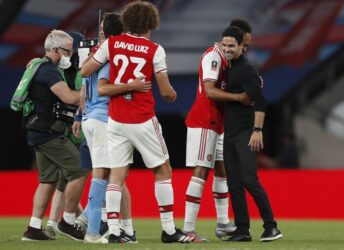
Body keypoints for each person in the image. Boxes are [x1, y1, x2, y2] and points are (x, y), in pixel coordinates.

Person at [81, 1, 193, 244]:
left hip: (116, 120)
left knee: (117, 176)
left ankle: (115, 231)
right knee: (163, 169)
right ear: (151, 24)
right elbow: (165, 91)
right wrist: (171, 93)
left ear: (128, 21)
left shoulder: (111, 44)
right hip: (142, 118)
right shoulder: (155, 50)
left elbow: (85, 71)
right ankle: (168, 230)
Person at [73, 12, 137, 244]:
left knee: (109, 173)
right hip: (102, 119)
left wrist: (80, 115)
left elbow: (83, 89)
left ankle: (90, 219)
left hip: (91, 117)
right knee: (107, 174)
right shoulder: (113, 56)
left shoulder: (94, 55)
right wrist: (133, 86)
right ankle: (92, 229)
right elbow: (102, 89)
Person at [183, 31, 252, 241]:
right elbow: (210, 91)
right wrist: (239, 97)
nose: (243, 50)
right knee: (201, 171)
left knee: (222, 170)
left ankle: (223, 223)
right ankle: (188, 229)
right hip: (206, 121)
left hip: (220, 123)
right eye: (244, 45)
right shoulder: (214, 56)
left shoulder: (228, 60)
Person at [21, 30, 87, 241]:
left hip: (37, 130)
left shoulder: (40, 65)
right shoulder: (48, 71)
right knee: (79, 170)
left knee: (48, 180)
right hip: (48, 132)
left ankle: (33, 228)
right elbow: (69, 97)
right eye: (69, 51)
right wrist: (89, 93)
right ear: (57, 50)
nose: (71, 54)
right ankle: (67, 222)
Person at [223, 26, 282, 242]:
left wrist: (257, 131)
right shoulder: (229, 67)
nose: (227, 49)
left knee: (249, 179)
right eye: (224, 45)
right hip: (230, 133)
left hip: (245, 132)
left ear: (241, 47)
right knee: (234, 184)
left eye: (232, 45)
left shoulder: (245, 68)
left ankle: (271, 227)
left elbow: (260, 100)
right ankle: (242, 230)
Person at [45, 31, 86, 240]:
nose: (69, 54)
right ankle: (68, 222)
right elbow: (76, 97)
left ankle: (64, 221)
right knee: (72, 177)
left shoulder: (79, 68)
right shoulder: (75, 70)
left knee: (68, 178)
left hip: (74, 125)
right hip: (75, 127)